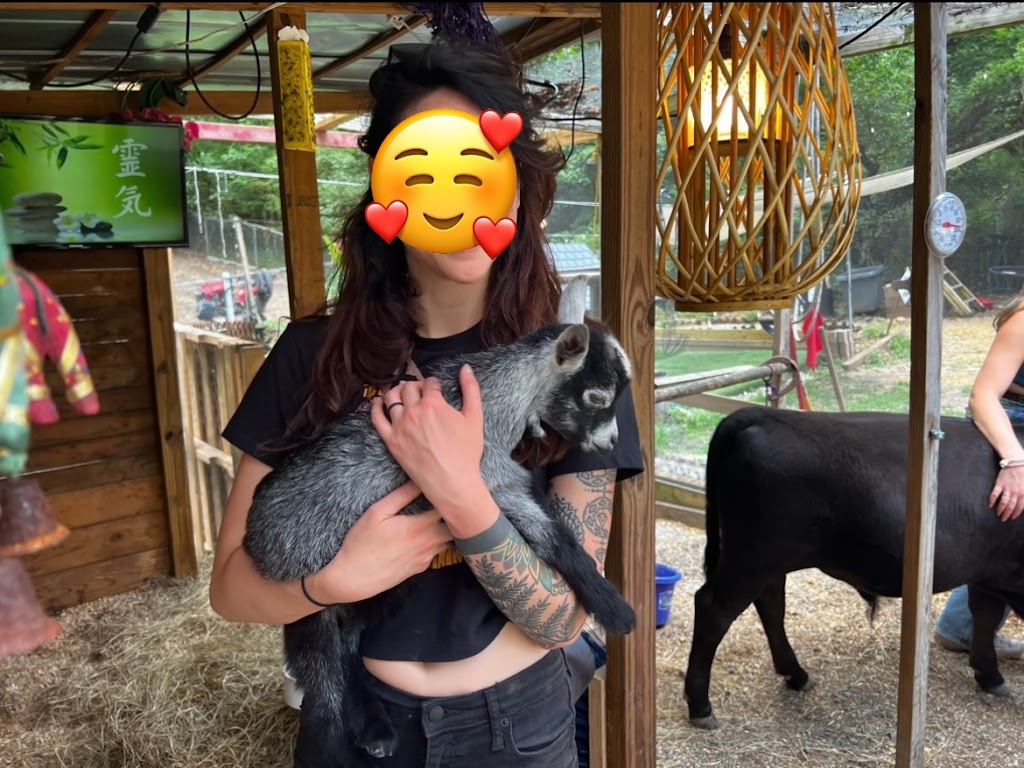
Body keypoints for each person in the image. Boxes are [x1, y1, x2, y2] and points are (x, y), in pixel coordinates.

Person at [209, 41, 644, 768]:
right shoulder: (313, 354)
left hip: (517, 733)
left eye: (483, 169)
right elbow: (230, 590)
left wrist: (460, 491)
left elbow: (565, 618)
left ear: (515, 191)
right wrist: (332, 582)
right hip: (356, 725)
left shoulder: (578, 368)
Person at [934, 294, 1024, 660]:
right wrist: (1014, 462)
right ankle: (962, 627)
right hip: (1011, 421)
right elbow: (983, 396)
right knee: (1008, 520)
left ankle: (961, 626)